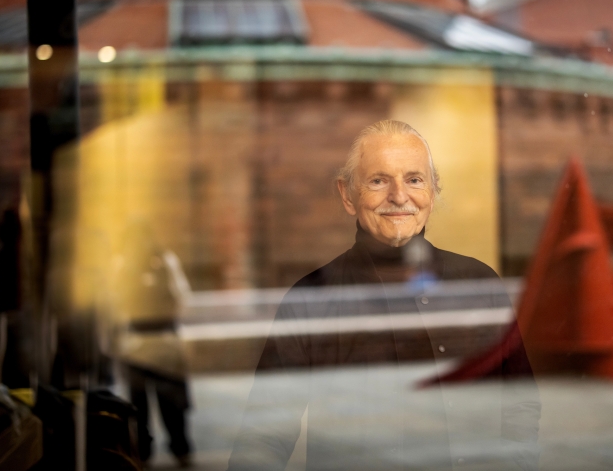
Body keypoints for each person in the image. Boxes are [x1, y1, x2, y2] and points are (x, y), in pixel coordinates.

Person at [228, 120, 540, 471]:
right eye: (378, 181)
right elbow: (264, 435)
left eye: (414, 180)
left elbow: (521, 402)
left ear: (433, 193)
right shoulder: (310, 299)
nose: (399, 196)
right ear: (348, 195)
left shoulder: (479, 283)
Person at [113, 220, 193, 468]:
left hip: (134, 344)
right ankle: (182, 451)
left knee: (138, 407)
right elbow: (182, 298)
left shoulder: (121, 264)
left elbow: (113, 306)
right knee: (173, 404)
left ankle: (143, 455)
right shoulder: (166, 260)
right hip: (166, 342)